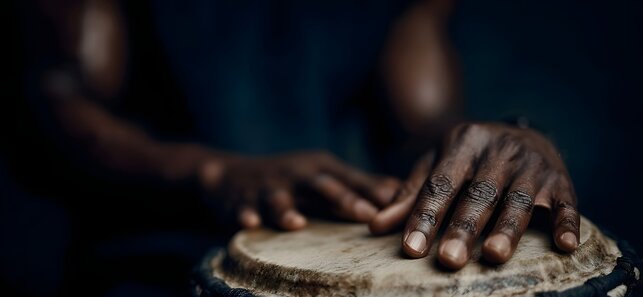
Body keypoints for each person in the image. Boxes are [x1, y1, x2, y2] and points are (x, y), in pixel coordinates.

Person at [30, 0, 579, 270]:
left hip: (352, 238)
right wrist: (215, 172)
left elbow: (422, 125)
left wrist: (496, 144)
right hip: (156, 254)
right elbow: (61, 101)